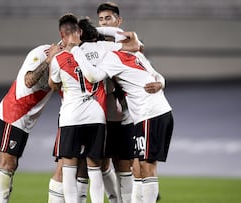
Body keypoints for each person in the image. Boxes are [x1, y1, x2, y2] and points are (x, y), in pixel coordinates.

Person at [68, 26, 174, 203]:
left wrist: (76, 50)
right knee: (141, 166)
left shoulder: (112, 57)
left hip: (149, 113)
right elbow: (155, 74)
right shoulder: (136, 55)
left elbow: (92, 76)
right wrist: (161, 82)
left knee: (147, 167)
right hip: (157, 112)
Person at [48, 13, 141, 203]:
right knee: (95, 169)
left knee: (69, 169)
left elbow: (53, 85)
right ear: (80, 31)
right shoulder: (102, 50)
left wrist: (51, 60)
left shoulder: (59, 58)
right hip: (96, 115)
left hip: (70, 116)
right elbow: (135, 46)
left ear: (62, 34)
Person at [97, 2, 165, 202]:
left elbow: (154, 74)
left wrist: (160, 83)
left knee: (129, 165)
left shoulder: (132, 47)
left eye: (108, 18)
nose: (104, 22)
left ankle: (134, 197)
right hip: (106, 115)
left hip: (129, 116)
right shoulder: (96, 47)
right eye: (100, 19)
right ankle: (115, 198)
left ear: (118, 21)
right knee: (102, 164)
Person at [0, 43, 62, 203]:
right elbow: (29, 80)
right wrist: (49, 60)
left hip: (26, 118)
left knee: (12, 165)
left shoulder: (66, 57)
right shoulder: (42, 53)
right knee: (7, 164)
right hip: (13, 113)